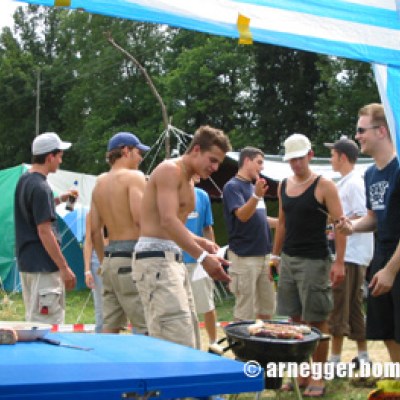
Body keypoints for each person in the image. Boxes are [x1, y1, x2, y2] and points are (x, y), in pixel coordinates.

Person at [133, 125, 231, 349]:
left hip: (173, 259)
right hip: (155, 260)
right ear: (196, 149)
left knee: (189, 338)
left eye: (218, 163)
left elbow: (173, 225)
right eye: (212, 160)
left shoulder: (189, 180)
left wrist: (201, 242)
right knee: (175, 340)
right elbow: (167, 221)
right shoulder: (170, 170)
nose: (215, 168)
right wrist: (202, 257)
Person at [271, 133, 346, 397]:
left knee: (317, 320)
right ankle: (303, 372)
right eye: (291, 160)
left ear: (310, 155)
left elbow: (340, 225)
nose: (296, 164)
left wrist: (339, 262)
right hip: (289, 260)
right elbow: (282, 222)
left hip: (315, 260)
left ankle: (319, 375)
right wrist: (275, 256)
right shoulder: (283, 185)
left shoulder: (324, 185)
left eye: (300, 159)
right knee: (294, 320)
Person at [336, 103, 400, 363]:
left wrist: (391, 270)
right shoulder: (371, 173)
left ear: (382, 131)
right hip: (381, 256)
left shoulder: (399, 168)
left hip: (396, 259)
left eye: (361, 130)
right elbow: (373, 217)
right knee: (386, 330)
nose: (357, 136)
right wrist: (351, 227)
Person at [14, 132, 77, 324]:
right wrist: (64, 268)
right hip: (44, 266)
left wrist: (60, 199)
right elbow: (44, 231)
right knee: (47, 324)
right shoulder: (41, 188)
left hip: (28, 264)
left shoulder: (25, 180)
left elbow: (35, 210)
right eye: (59, 156)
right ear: (50, 157)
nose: (60, 161)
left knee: (34, 320)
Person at [90, 131, 149, 334]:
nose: (141, 158)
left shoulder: (99, 184)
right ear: (126, 151)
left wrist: (103, 261)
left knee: (110, 326)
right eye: (139, 152)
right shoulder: (134, 177)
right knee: (146, 326)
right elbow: (141, 220)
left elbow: (94, 231)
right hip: (131, 258)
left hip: (109, 260)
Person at [324, 136, 374, 367]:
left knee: (339, 305)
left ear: (342, 157)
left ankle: (334, 359)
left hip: (352, 254)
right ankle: (363, 356)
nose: (331, 159)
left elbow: (363, 214)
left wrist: (337, 222)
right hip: (354, 253)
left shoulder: (354, 183)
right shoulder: (347, 181)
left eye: (333, 155)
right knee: (354, 306)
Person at [222, 146, 276, 322]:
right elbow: (242, 215)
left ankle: (264, 339)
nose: (262, 167)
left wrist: (285, 223)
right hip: (244, 258)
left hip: (265, 257)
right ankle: (241, 340)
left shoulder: (254, 188)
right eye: (259, 162)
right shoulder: (232, 187)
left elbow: (260, 219)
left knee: (267, 309)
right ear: (246, 161)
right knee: (244, 313)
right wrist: (256, 196)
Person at [183, 182, 218, 349]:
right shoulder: (171, 193)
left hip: (199, 261)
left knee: (207, 304)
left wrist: (213, 255)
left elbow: (207, 227)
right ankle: (189, 345)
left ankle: (213, 343)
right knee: (183, 309)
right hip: (176, 261)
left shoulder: (202, 195)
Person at [83, 211, 107, 333]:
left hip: (118, 256)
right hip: (97, 260)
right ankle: (101, 336)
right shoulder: (92, 214)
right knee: (100, 307)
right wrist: (87, 270)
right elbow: (88, 240)